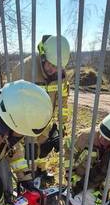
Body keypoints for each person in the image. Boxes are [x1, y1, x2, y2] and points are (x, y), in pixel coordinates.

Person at [10, 34, 71, 181]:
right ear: (43, 55)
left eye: (57, 67)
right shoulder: (24, 70)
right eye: (50, 64)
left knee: (44, 146)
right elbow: (13, 99)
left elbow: (63, 100)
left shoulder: (61, 76)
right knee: (29, 150)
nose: (52, 70)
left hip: (46, 119)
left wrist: (61, 124)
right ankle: (28, 176)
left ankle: (41, 170)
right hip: (26, 121)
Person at [64, 112, 110, 197]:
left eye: (108, 139)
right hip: (78, 178)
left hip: (99, 187)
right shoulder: (84, 136)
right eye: (101, 134)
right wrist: (71, 175)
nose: (102, 139)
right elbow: (68, 154)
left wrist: (101, 193)